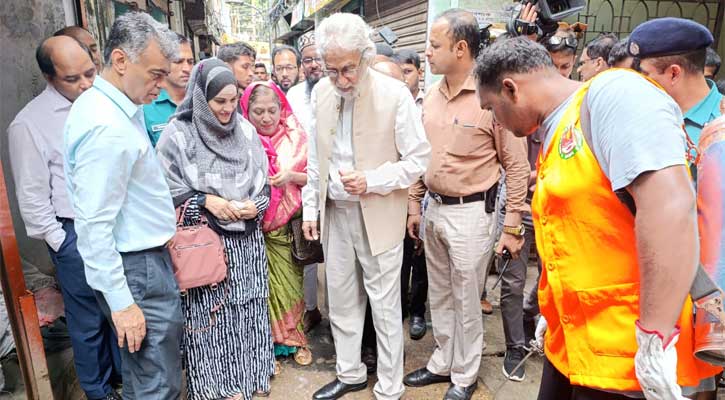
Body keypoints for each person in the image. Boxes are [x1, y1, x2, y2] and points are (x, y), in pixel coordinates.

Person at [476, 35, 722, 400]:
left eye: (492, 108)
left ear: (510, 89)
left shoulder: (614, 95)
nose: (494, 120)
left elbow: (669, 207)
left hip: (628, 353)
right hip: (580, 343)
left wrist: (655, 335)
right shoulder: (560, 127)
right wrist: (555, 307)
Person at [301, 12, 430, 400]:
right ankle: (350, 372)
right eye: (332, 69)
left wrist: (372, 179)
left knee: (386, 305)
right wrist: (311, 208)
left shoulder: (394, 94)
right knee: (339, 299)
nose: (341, 79)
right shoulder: (322, 92)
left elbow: (418, 159)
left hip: (378, 214)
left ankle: (390, 386)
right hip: (335, 213)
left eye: (348, 69)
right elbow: (314, 159)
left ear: (367, 57)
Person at [403, 10, 529, 400]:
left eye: (434, 45)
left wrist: (512, 226)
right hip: (434, 210)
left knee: (466, 298)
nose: (427, 53)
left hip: (473, 213)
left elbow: (517, 166)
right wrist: (414, 205)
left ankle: (464, 374)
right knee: (439, 294)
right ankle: (443, 360)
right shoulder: (430, 96)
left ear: (460, 49)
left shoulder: (491, 97)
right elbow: (420, 156)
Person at [64, 12, 184, 399]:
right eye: (153, 74)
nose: (159, 85)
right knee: (157, 381)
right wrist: (122, 304)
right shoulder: (107, 127)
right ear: (119, 61)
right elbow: (94, 224)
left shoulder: (113, 109)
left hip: (139, 263)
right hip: (136, 269)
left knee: (145, 373)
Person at [8, 35, 121, 400]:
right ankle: (98, 392)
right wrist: (64, 244)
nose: (86, 84)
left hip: (117, 226)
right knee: (88, 321)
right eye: (73, 79)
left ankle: (124, 382)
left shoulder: (103, 102)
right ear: (49, 77)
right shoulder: (30, 124)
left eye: (90, 73)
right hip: (73, 233)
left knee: (120, 310)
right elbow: (32, 199)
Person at [156, 58, 274, 399]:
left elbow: (264, 187)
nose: (227, 109)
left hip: (248, 245)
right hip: (205, 247)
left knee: (249, 310)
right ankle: (216, 387)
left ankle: (250, 379)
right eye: (218, 102)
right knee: (210, 318)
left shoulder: (247, 131)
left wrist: (257, 205)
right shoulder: (177, 136)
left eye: (233, 101)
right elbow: (165, 196)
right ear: (200, 98)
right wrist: (205, 201)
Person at [240, 81, 312, 370]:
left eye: (272, 110)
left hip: (285, 230)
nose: (266, 118)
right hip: (250, 232)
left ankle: (296, 340)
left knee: (291, 286)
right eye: (258, 111)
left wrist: (290, 176)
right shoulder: (239, 139)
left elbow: (315, 178)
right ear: (246, 111)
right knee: (260, 291)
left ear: (282, 109)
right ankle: (265, 348)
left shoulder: (297, 137)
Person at [285, 30, 324, 332]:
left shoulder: (342, 92)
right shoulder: (294, 96)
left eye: (318, 58)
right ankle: (310, 310)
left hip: (336, 186)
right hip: (301, 186)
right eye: (308, 60)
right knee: (306, 251)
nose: (314, 65)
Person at [632, 18, 722, 147]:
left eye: (646, 74)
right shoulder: (643, 112)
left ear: (674, 73)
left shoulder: (720, 123)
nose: (641, 81)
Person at [143, 33, 193, 146]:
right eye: (178, 62)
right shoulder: (146, 106)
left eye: (190, 62)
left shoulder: (201, 101)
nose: (187, 69)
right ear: (163, 64)